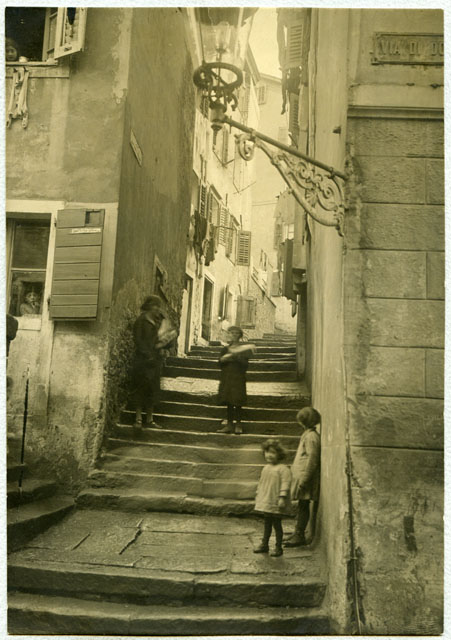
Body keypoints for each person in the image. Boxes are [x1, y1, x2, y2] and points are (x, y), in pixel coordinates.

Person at [284, 407, 321, 548]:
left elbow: (312, 459)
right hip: (301, 476)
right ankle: (297, 532)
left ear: (303, 422)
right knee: (301, 505)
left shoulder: (311, 437)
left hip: (306, 477)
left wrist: (305, 479)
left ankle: (299, 535)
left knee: (304, 505)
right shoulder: (308, 434)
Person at [131, 295, 166, 429]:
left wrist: (161, 348)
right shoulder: (141, 320)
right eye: (155, 306)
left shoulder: (158, 322)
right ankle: (138, 419)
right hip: (142, 360)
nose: (157, 309)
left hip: (155, 361)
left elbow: (163, 337)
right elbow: (138, 340)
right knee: (140, 388)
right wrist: (146, 354)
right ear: (149, 306)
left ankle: (150, 419)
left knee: (152, 389)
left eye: (158, 306)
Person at [254, 438, 291, 557]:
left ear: (279, 454)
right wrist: (259, 494)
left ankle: (278, 547)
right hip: (267, 500)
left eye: (273, 452)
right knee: (267, 523)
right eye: (267, 452)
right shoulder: (266, 468)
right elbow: (262, 483)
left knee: (277, 524)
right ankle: (264, 544)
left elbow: (285, 483)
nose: (269, 455)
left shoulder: (283, 469)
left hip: (276, 501)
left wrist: (282, 497)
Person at [217, 325, 251, 435]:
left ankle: (239, 424)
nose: (234, 335)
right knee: (229, 401)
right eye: (232, 333)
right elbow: (220, 364)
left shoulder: (243, 349)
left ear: (240, 335)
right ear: (229, 335)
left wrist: (236, 356)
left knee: (238, 401)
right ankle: (229, 424)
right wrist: (224, 359)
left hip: (238, 378)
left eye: (236, 333)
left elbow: (245, 365)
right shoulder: (225, 349)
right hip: (227, 378)